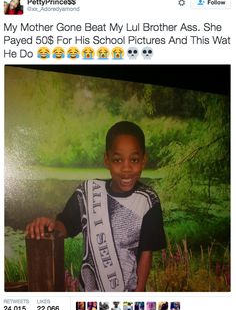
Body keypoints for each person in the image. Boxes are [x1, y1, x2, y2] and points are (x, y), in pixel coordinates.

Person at [26, 121, 166, 291]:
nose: (126, 168)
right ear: (107, 160)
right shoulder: (87, 191)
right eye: (117, 160)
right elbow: (65, 227)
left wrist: (138, 295)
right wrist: (49, 224)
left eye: (134, 160)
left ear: (144, 160)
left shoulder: (148, 200)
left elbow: (146, 253)